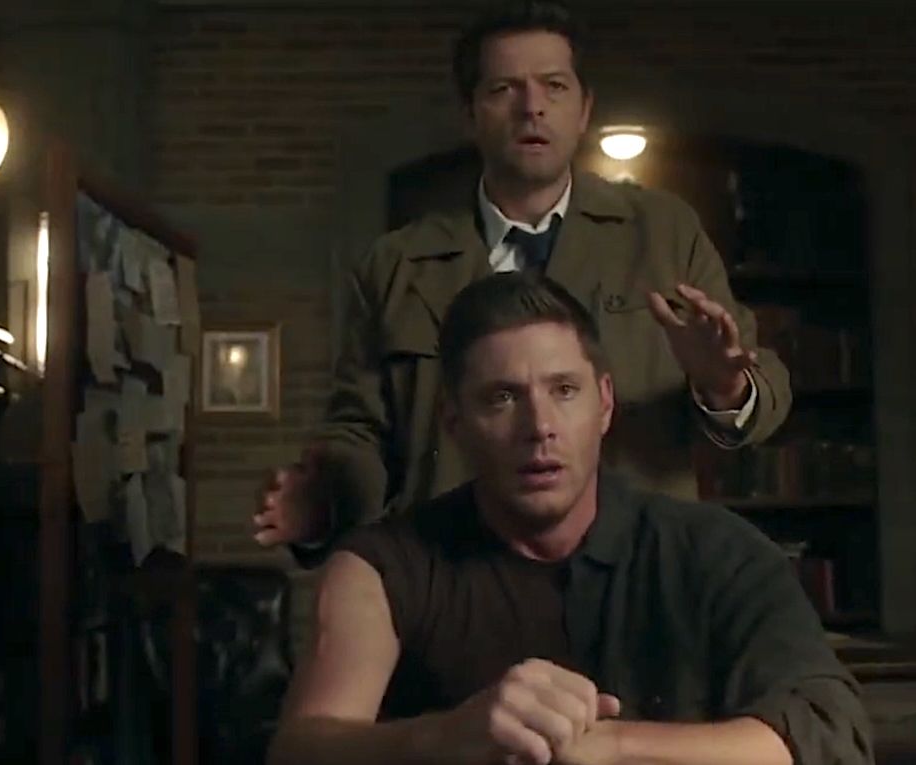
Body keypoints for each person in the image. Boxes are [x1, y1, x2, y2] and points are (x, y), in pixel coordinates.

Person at [253, 0, 793, 565]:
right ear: (470, 114)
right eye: (503, 89)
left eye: (554, 86)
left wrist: (723, 386)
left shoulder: (662, 234)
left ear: (583, 109)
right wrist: (324, 503)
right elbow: (360, 434)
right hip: (453, 577)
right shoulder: (397, 265)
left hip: (630, 573)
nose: (532, 107)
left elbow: (766, 389)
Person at [268, 273, 871, 765]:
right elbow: (300, 749)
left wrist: (612, 748)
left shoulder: (718, 553)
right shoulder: (382, 567)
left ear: (604, 403)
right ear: (453, 421)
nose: (539, 428)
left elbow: (828, 734)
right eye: (502, 397)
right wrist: (448, 737)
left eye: (564, 391)